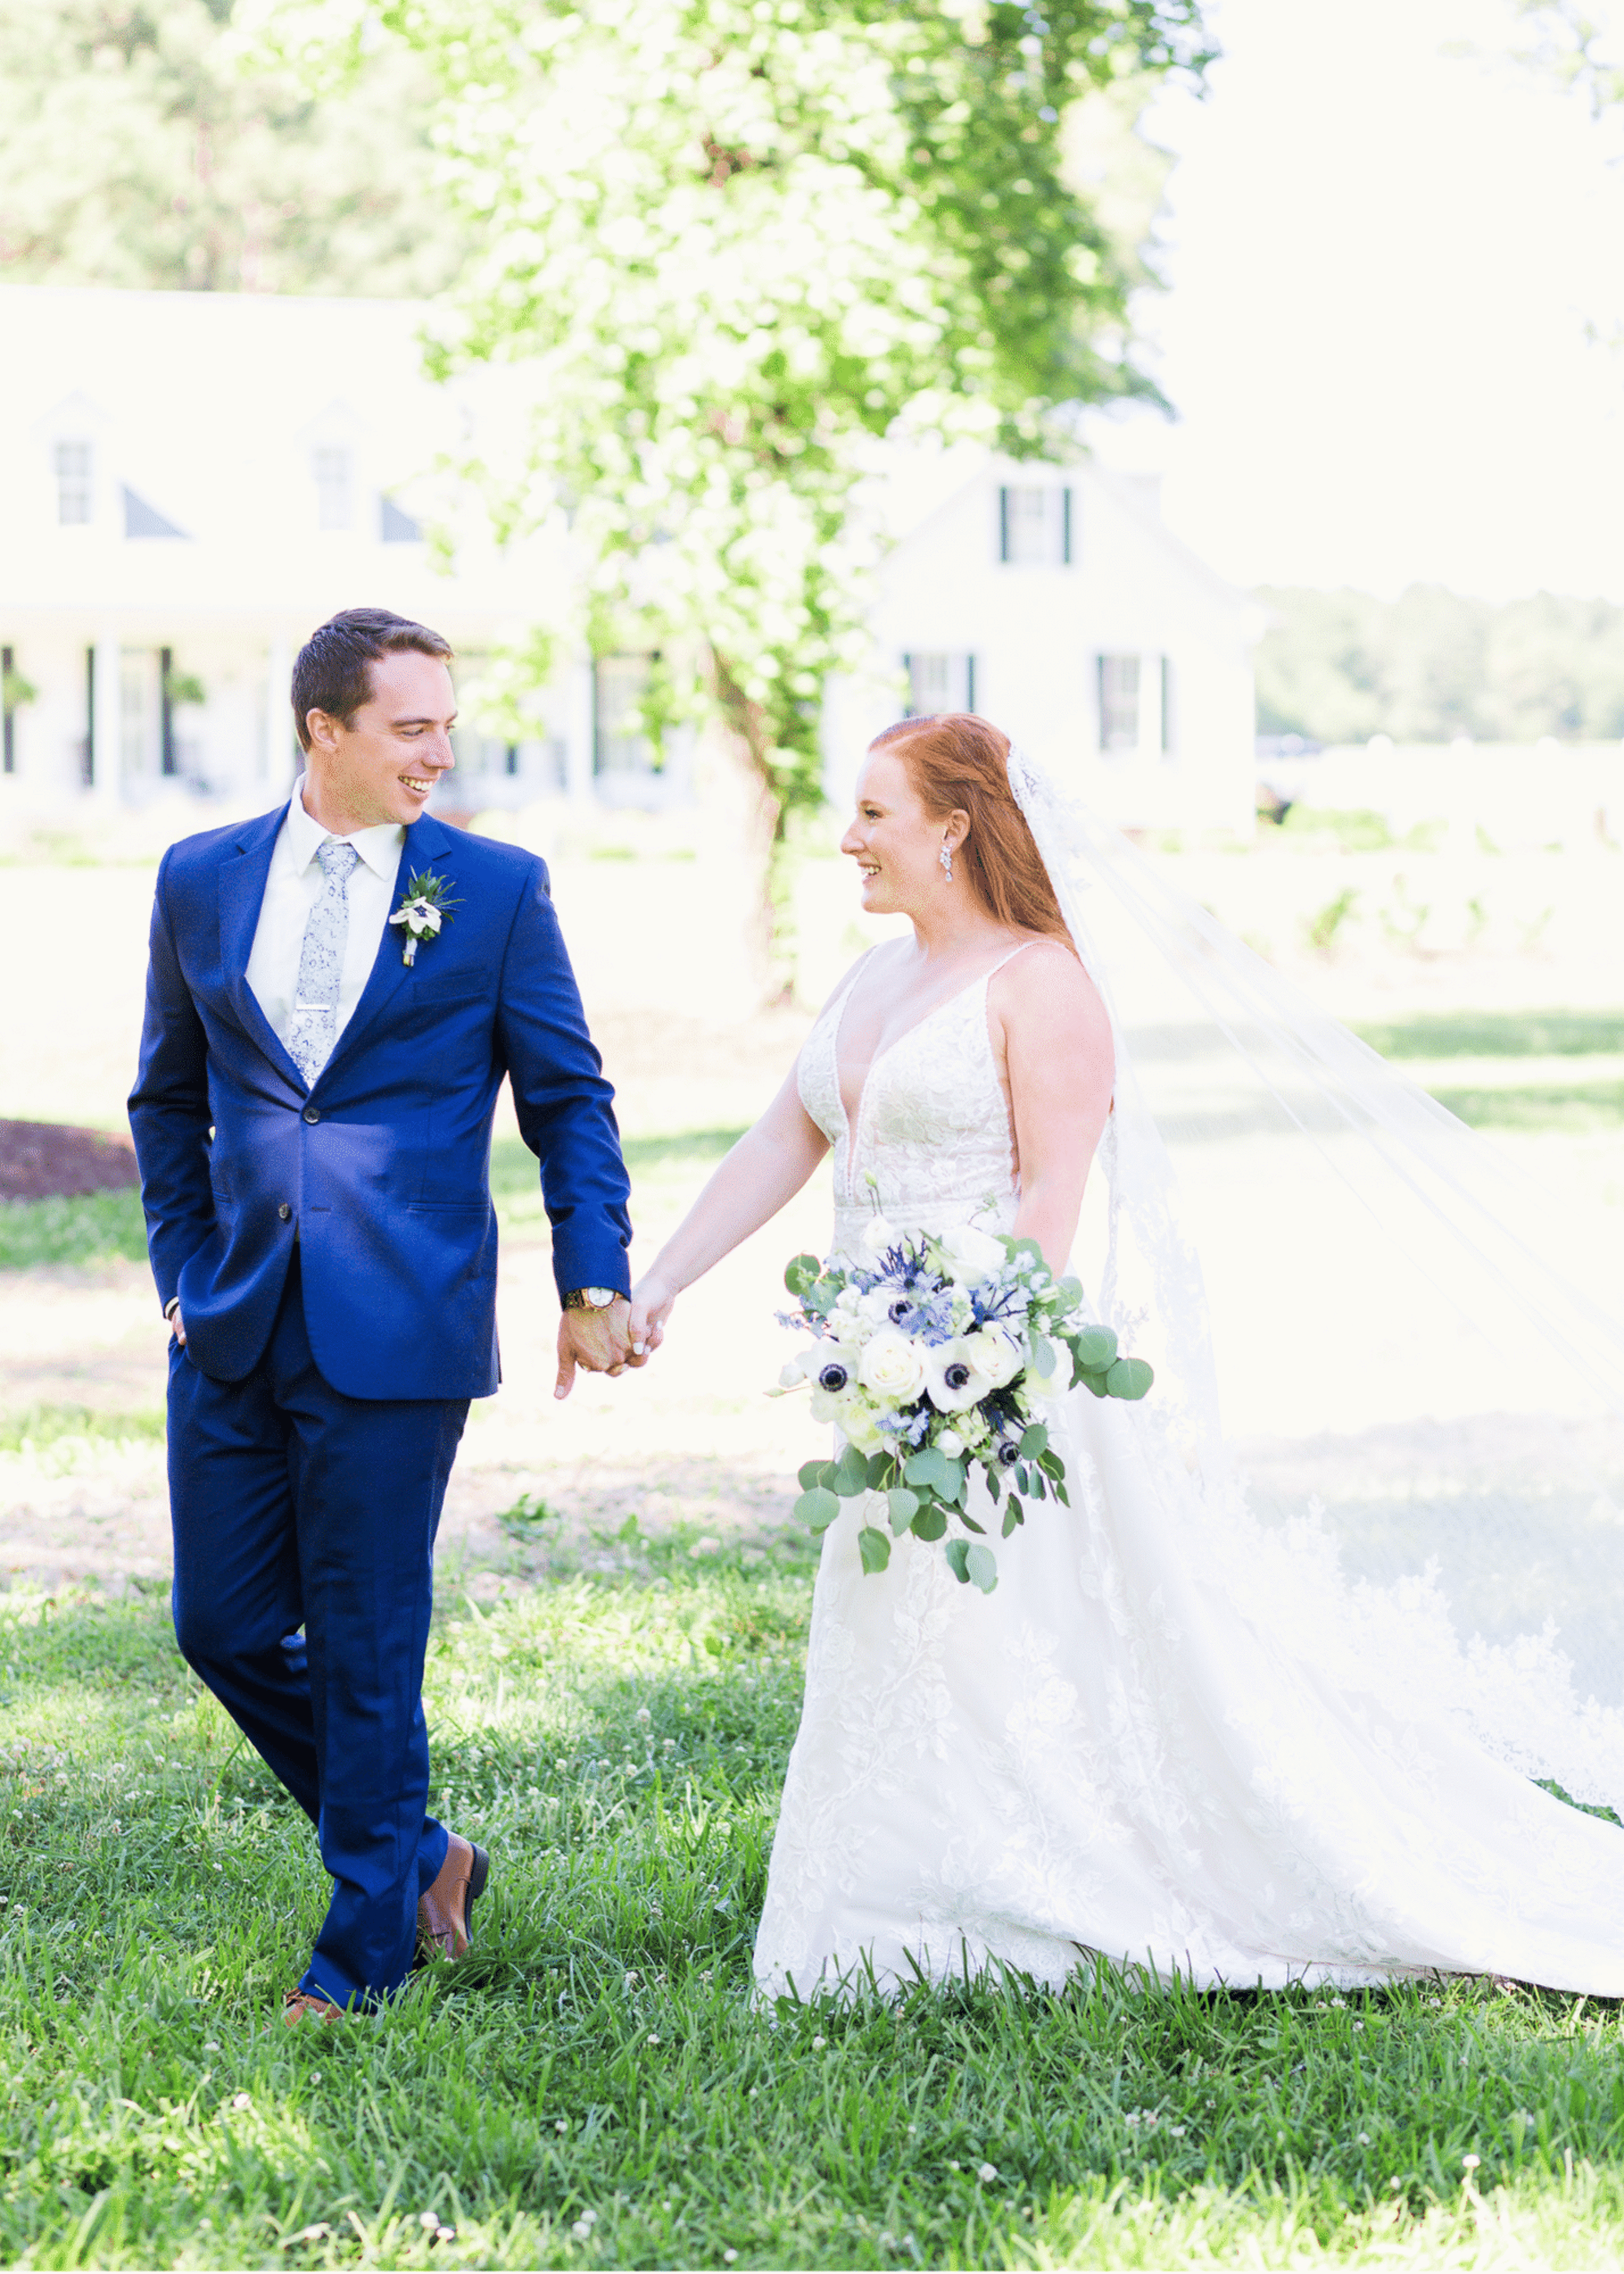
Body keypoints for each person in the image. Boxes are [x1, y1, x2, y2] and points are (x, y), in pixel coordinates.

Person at [630, 711, 1624, 2000]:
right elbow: (780, 1141)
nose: (846, 837)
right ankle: (892, 1904)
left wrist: (972, 1369)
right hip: (880, 1377)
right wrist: (655, 1284)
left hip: (997, 1389)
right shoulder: (871, 980)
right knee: (902, 1631)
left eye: (872, 812)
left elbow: (1049, 1206)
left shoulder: (1042, 982)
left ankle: (1026, 1889)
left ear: (954, 823)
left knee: (1019, 1640)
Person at [129, 607, 640, 2024]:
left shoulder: (494, 887)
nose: (440, 751)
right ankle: (423, 1849)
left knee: (364, 1636)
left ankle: (362, 1950)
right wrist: (180, 1273)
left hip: (398, 1316)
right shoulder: (199, 876)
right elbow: (167, 1096)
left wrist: (589, 1269)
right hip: (231, 1313)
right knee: (221, 1625)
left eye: (445, 725)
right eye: (411, 726)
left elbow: (568, 1096)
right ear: (325, 730)